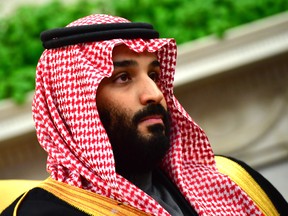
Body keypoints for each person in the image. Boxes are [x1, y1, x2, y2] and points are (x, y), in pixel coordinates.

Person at [1, 14, 287, 216]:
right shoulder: (37, 212)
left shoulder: (233, 180)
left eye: (154, 74)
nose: (155, 93)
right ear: (72, 107)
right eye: (123, 77)